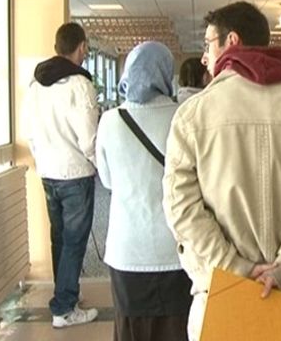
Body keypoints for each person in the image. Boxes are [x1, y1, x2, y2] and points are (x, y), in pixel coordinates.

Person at [162, 1, 281, 341]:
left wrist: (237, 268)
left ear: (231, 41)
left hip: (221, 297)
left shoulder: (193, 116)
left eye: (208, 44)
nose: (204, 57)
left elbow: (181, 208)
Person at [96, 41, 192, 341]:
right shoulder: (183, 116)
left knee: (131, 330)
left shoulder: (110, 121)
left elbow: (108, 181)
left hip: (127, 249)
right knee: (178, 327)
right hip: (178, 247)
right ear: (166, 74)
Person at [24, 22, 99, 328]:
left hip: (48, 172)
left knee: (60, 239)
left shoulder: (35, 84)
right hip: (75, 173)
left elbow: (30, 132)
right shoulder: (80, 85)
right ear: (81, 47)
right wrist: (101, 167)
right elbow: (89, 139)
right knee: (75, 242)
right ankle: (64, 308)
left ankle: (65, 295)